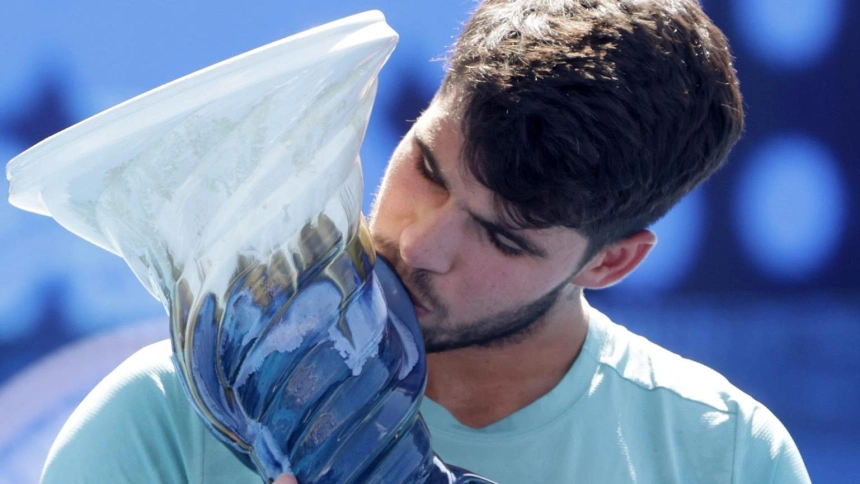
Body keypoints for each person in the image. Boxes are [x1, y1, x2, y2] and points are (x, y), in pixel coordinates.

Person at [41, 0, 811, 483]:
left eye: (503, 239)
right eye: (427, 168)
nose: (419, 244)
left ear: (612, 260)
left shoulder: (729, 455)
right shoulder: (159, 416)